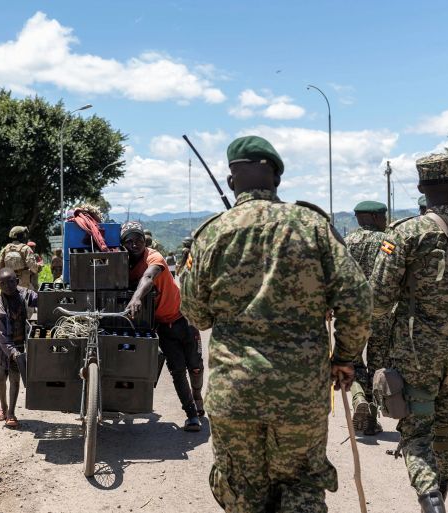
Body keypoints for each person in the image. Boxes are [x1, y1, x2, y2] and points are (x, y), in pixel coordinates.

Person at [180, 135, 371, 512]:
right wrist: (345, 357)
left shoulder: (211, 234)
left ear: (233, 182)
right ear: (278, 180)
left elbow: (196, 315)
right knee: (301, 484)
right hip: (301, 392)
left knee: (243, 491)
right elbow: (357, 298)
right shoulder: (313, 227)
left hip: (235, 392)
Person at [370, 154, 448, 512]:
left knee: (416, 434)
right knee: (446, 429)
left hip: (416, 353)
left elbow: (378, 302)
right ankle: (440, 494)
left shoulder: (405, 234)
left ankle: (431, 499)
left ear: (420, 189)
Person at [122, 220, 204, 432]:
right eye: (128, 240)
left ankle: (197, 398)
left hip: (185, 318)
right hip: (163, 327)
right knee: (177, 371)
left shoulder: (154, 257)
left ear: (144, 240)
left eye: (138, 239)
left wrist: (136, 298)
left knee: (195, 366)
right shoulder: (127, 267)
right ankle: (191, 414)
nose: (134, 244)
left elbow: (149, 277)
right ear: (123, 244)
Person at [344, 200, 389, 436]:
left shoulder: (347, 242)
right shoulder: (387, 242)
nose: (385, 220)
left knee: (352, 362)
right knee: (378, 365)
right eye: (383, 216)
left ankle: (358, 397)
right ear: (372, 217)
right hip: (381, 314)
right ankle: (371, 418)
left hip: (353, 315)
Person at [0, 268, 37, 429]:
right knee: (1, 378)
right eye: (3, 283)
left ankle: (11, 413)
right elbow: (0, 336)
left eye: (11, 282)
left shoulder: (23, 293)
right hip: (0, 348)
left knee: (15, 379)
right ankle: (3, 406)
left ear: (18, 281)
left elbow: (37, 298)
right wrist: (12, 352)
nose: (7, 286)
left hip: (18, 344)